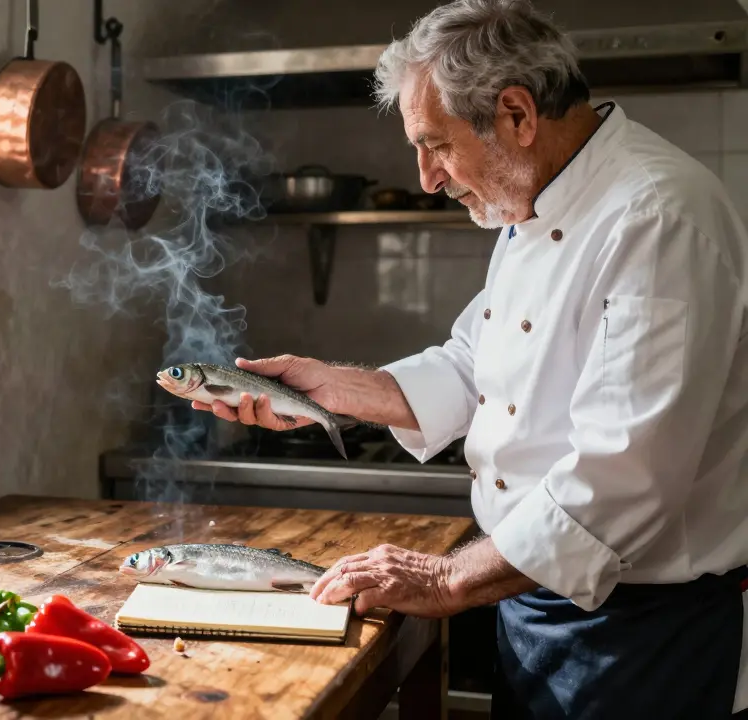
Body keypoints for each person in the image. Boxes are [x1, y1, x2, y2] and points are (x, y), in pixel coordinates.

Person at [192, 0, 748, 717]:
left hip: (644, 639)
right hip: (532, 602)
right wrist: (334, 388)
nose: (426, 177)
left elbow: (624, 476)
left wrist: (450, 579)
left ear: (516, 114)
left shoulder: (657, 218)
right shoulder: (533, 199)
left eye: (437, 144)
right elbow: (472, 363)